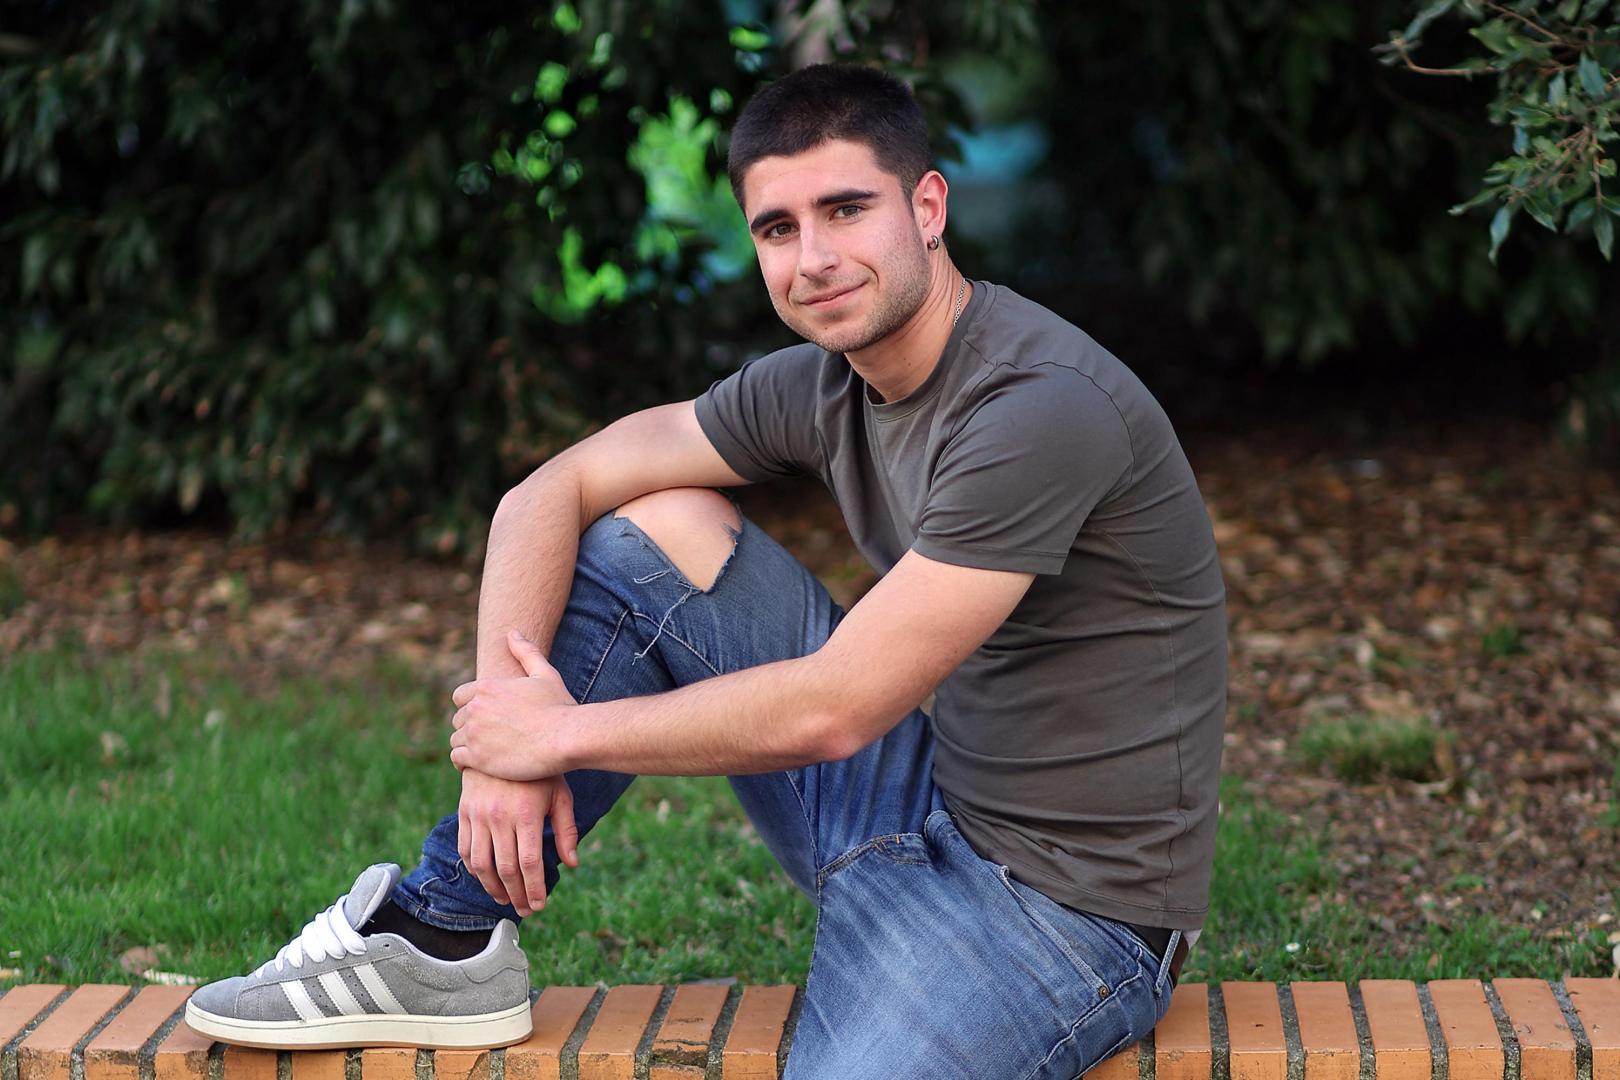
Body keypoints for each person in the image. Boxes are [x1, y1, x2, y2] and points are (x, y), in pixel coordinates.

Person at [184, 62, 1227, 1078]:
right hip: (925, 805)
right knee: (651, 528)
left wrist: (552, 732)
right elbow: (549, 492)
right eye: (779, 228)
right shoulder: (824, 384)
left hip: (1065, 920)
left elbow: (840, 708)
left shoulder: (1037, 409)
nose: (813, 257)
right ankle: (442, 932)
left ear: (927, 207)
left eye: (847, 210)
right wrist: (500, 746)